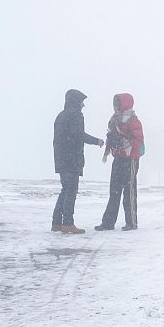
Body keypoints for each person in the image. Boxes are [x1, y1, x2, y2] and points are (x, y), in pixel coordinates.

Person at [52, 89, 104, 234]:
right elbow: (78, 135)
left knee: (65, 189)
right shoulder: (76, 115)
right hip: (71, 158)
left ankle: (57, 223)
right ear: (76, 102)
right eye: (82, 102)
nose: (83, 105)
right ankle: (68, 223)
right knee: (71, 191)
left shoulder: (61, 115)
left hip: (61, 158)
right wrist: (97, 141)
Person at [95, 94, 144, 231]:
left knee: (129, 192)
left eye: (117, 104)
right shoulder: (114, 120)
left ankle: (131, 223)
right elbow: (111, 135)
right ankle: (108, 223)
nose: (115, 106)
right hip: (118, 158)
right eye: (114, 103)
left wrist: (123, 143)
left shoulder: (133, 121)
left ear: (123, 105)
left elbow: (137, 140)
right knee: (114, 191)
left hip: (130, 159)